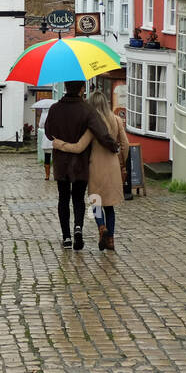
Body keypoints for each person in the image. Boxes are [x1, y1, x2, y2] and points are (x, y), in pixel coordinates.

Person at [43, 81, 119, 250]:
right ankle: (78, 229)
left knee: (63, 198)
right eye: (84, 88)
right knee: (78, 198)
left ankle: (67, 237)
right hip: (80, 164)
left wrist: (61, 138)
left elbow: (48, 133)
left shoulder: (55, 109)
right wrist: (114, 146)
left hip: (62, 163)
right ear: (81, 89)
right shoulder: (87, 110)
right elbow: (101, 132)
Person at [38, 107, 54, 180]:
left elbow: (40, 125)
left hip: (47, 138)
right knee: (56, 158)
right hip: (55, 138)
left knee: (47, 157)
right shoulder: (57, 113)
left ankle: (47, 175)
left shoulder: (44, 114)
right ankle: (56, 174)